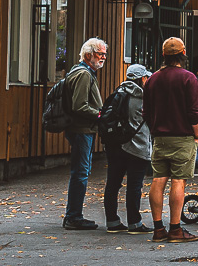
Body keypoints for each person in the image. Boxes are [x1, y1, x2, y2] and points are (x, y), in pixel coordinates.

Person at [143, 38, 198, 243]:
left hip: (160, 137)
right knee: (178, 180)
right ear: (183, 54)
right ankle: (175, 229)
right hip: (182, 136)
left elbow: (146, 112)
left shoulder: (152, 79)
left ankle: (158, 229)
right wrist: (196, 134)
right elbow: (194, 112)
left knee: (158, 179)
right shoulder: (188, 78)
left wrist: (155, 129)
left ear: (163, 55)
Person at [62, 38, 108, 230]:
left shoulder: (80, 71)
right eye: (100, 54)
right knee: (81, 173)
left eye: (105, 54)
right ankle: (73, 217)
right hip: (82, 130)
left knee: (81, 172)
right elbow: (79, 105)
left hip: (81, 129)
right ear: (88, 55)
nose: (103, 57)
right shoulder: (84, 74)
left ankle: (73, 215)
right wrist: (99, 114)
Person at [104, 64, 153, 233]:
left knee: (112, 183)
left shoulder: (118, 93)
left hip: (115, 145)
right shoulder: (143, 97)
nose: (147, 80)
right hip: (136, 146)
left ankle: (112, 221)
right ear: (140, 78)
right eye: (145, 77)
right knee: (134, 185)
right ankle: (134, 223)